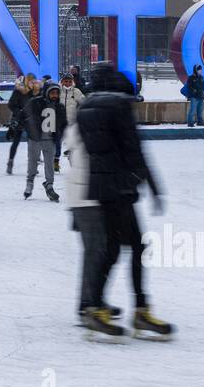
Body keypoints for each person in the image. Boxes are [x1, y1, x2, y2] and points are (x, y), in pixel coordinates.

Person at [72, 62, 171, 340]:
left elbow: (91, 151)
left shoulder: (85, 109)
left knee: (113, 249)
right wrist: (149, 184)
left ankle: (96, 306)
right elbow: (134, 148)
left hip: (100, 187)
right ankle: (138, 310)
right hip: (121, 188)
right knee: (136, 247)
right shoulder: (118, 107)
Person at [24, 80, 65, 201]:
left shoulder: (59, 107)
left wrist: (61, 132)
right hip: (35, 138)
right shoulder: (35, 102)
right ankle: (30, 182)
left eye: (56, 93)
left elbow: (63, 122)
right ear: (46, 93)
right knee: (33, 162)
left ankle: (49, 184)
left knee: (49, 163)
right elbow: (24, 114)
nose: (54, 96)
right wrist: (16, 125)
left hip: (50, 139)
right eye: (52, 93)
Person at [4, 75, 31, 175]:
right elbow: (10, 104)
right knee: (16, 141)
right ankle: (10, 161)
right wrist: (18, 111)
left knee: (31, 142)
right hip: (19, 119)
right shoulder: (17, 92)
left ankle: (32, 164)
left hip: (29, 120)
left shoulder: (32, 92)